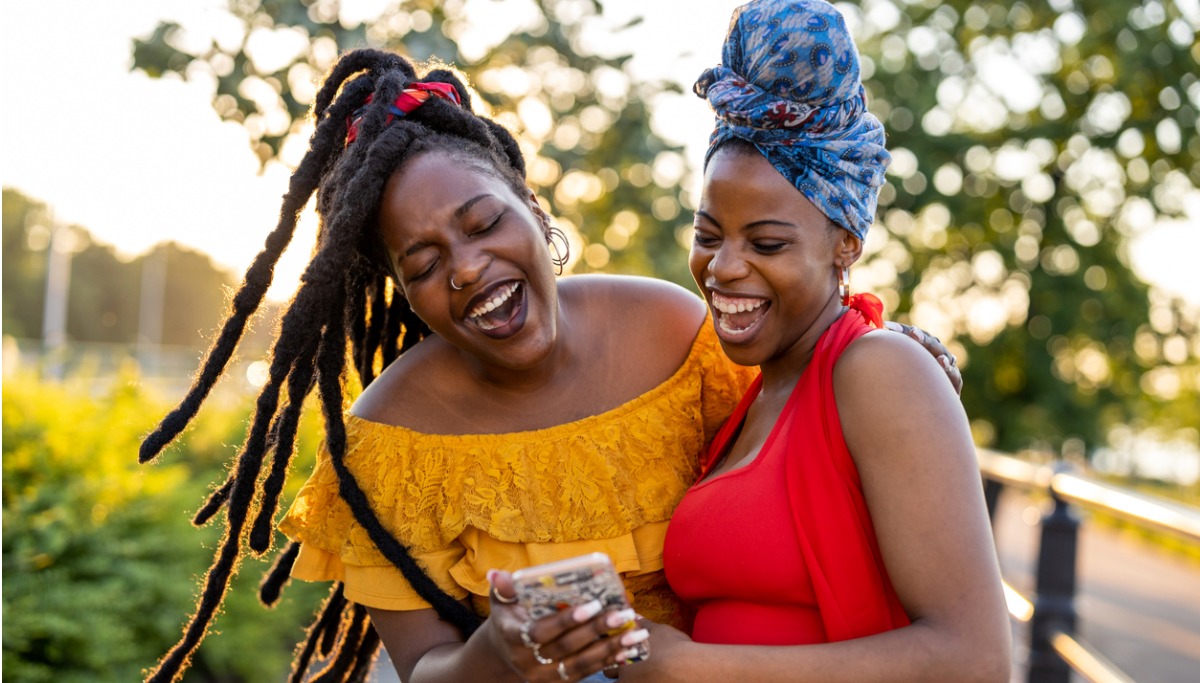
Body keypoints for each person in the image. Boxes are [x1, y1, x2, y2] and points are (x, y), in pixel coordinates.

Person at [138, 47, 960, 683]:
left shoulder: (675, 328)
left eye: (483, 220)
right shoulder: (386, 441)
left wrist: (889, 350)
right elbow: (423, 668)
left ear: (534, 209)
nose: (463, 267)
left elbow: (802, 405)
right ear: (403, 293)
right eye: (422, 264)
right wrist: (496, 653)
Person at [605, 2, 1012, 681]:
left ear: (845, 244)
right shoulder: (748, 394)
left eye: (766, 242)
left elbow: (975, 659)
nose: (724, 267)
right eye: (708, 235)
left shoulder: (878, 371)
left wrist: (696, 668)